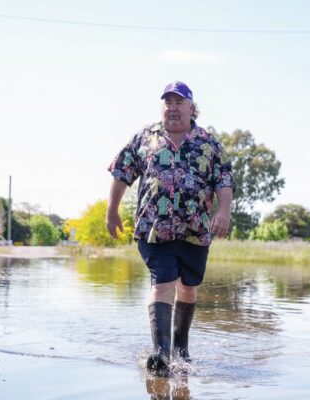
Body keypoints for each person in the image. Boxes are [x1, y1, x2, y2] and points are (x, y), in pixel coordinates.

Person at [106, 81, 234, 377]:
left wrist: (223, 210)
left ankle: (181, 347)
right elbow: (121, 172)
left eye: (179, 102)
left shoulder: (208, 143)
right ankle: (161, 354)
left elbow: (224, 181)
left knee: (187, 286)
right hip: (155, 228)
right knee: (162, 282)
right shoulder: (144, 138)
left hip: (195, 229)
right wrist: (111, 211)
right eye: (168, 102)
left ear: (191, 107)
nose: (172, 107)